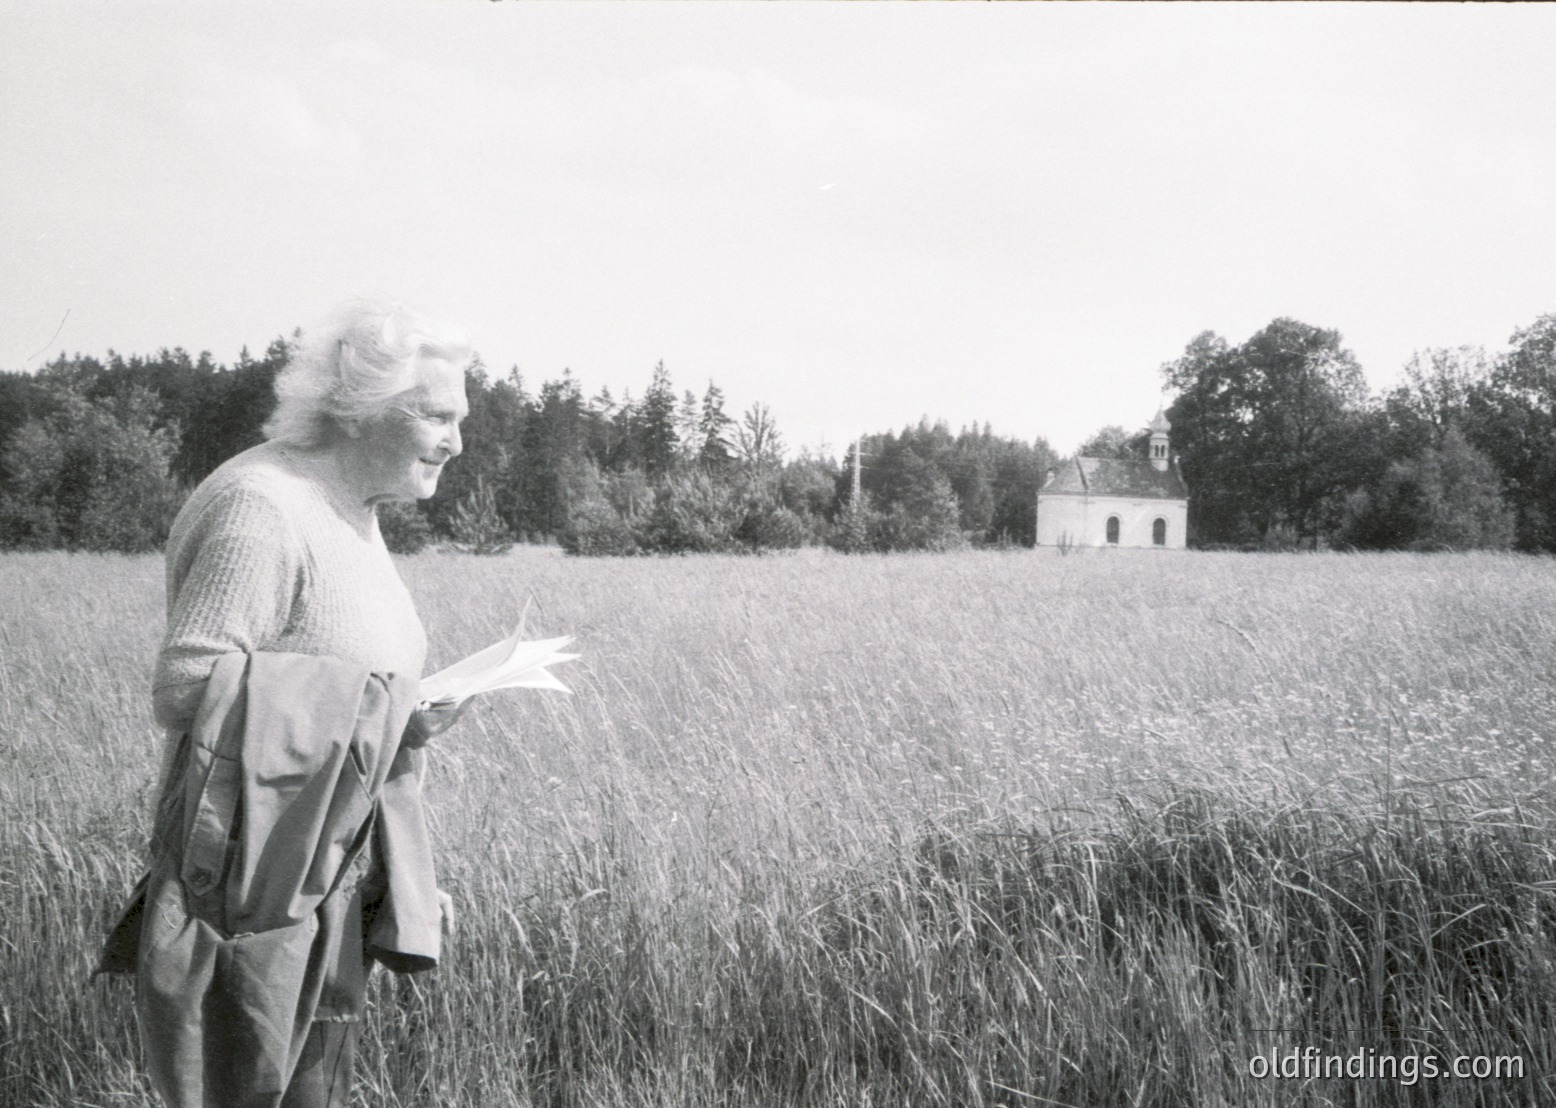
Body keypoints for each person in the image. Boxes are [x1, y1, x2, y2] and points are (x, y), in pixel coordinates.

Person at [98, 299, 474, 1108]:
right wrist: (379, 714)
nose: (456, 442)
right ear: (365, 408)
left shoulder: (350, 510)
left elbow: (345, 695)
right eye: (437, 416)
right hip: (251, 890)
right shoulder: (263, 509)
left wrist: (396, 870)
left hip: (325, 873)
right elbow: (188, 685)